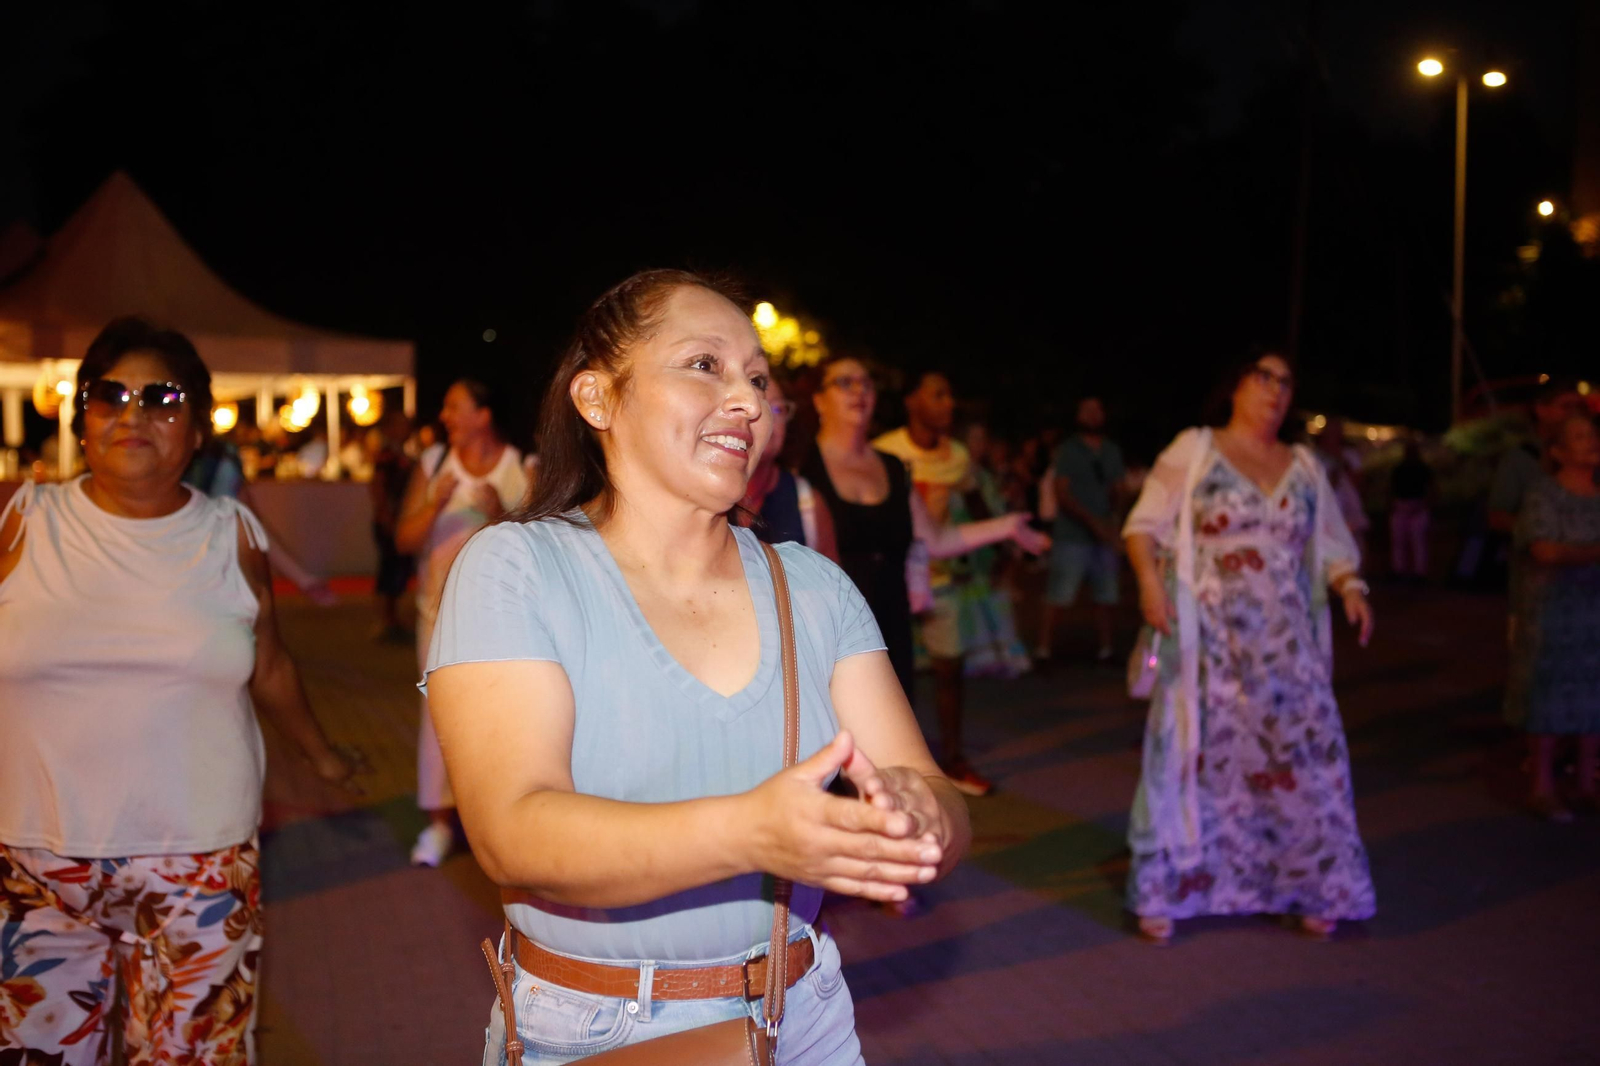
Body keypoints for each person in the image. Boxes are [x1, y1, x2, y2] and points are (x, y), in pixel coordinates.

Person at [423, 270, 971, 1064]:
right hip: (595, 1026)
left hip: (802, 1013)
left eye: (757, 377)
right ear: (598, 400)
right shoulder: (517, 569)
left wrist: (919, 822)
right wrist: (753, 832)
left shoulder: (813, 587)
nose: (747, 401)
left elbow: (935, 788)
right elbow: (512, 830)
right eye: (705, 365)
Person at [0, 317, 357, 1064]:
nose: (133, 414)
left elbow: (271, 665)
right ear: (84, 417)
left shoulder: (232, 534)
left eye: (162, 399)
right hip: (36, 862)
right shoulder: (22, 521)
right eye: (111, 395)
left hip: (200, 862)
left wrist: (323, 758)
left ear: (197, 429)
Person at [1121, 350, 1377, 944]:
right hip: (1209, 644)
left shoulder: (1306, 465)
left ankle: (1312, 884)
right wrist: (1149, 585)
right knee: (1194, 758)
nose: (1276, 390)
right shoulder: (1197, 448)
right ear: (1235, 385)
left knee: (1299, 761)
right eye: (1264, 377)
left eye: (1287, 382)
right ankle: (1174, 889)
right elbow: (1142, 526)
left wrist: (1351, 588)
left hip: (1287, 648)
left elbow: (1334, 543)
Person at [803, 358, 1045, 798]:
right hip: (826, 638)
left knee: (885, 767)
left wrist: (1006, 526)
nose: (859, 391)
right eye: (844, 382)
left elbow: (935, 539)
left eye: (866, 382)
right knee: (833, 768)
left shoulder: (894, 467)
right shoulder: (802, 468)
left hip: (887, 631)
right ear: (819, 399)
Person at [394, 379, 530, 867]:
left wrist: (502, 514)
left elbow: (543, 542)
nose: (446, 415)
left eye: (456, 407)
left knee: (500, 717)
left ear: (483, 415)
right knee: (439, 717)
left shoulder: (521, 466)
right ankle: (438, 826)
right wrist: (436, 502)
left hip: (502, 618)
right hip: (439, 614)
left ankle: (494, 819)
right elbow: (404, 540)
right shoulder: (434, 465)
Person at [1504, 415, 1600, 822]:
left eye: (1593, 435)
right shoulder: (1544, 494)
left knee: (1593, 698)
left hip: (1592, 613)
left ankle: (1586, 784)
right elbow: (1545, 550)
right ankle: (1542, 788)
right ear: (1558, 452)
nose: (1592, 442)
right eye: (1580, 436)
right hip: (1550, 613)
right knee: (1547, 698)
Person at [1037, 396, 1126, 664]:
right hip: (1072, 535)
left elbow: (1119, 489)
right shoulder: (1068, 451)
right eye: (1087, 410)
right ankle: (1043, 649)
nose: (1093, 415)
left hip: (1104, 534)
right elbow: (1062, 492)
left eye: (1097, 410)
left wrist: (1112, 521)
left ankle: (1106, 649)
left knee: (1106, 594)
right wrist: (1092, 522)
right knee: (1059, 594)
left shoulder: (1111, 451)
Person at [736, 376, 837, 560]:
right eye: (758, 405)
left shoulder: (806, 502)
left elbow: (832, 584)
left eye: (777, 409)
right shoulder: (698, 495)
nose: (769, 419)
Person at [370, 410, 417, 640]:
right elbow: (377, 487)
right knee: (389, 570)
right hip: (390, 522)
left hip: (400, 521)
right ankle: (386, 620)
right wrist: (386, 516)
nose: (405, 430)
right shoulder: (386, 456)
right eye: (400, 425)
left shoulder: (404, 455)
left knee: (398, 571)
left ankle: (393, 619)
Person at [1315, 416, 1370, 560]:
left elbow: (1360, 484)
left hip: (1349, 510)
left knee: (1354, 550)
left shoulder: (1349, 455)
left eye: (1337, 431)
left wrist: (1344, 465)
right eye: (1330, 431)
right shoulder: (1315, 456)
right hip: (1325, 513)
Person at [1389, 439, 1434, 581]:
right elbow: (1390, 490)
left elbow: (1433, 489)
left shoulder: (1423, 469)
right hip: (1401, 506)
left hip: (1418, 507)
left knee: (1418, 542)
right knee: (1398, 542)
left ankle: (1419, 572)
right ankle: (1398, 570)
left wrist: (1424, 505)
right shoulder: (1399, 469)